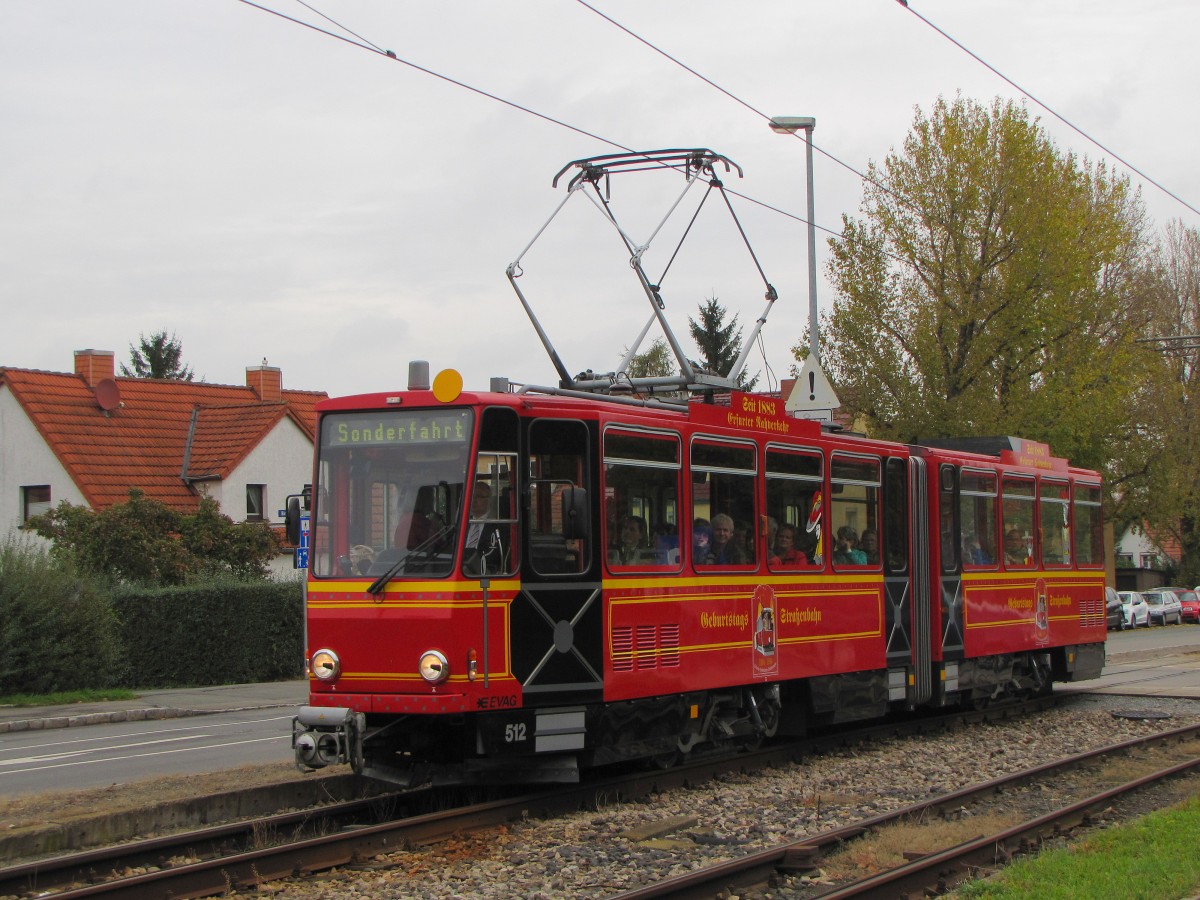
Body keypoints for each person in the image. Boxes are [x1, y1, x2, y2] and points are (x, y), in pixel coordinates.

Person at [463, 481, 507, 576]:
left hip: (485, 574)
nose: (474, 500)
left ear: (489, 500)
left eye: (479, 496)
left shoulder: (499, 526)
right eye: (472, 496)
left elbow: (498, 557)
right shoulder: (463, 525)